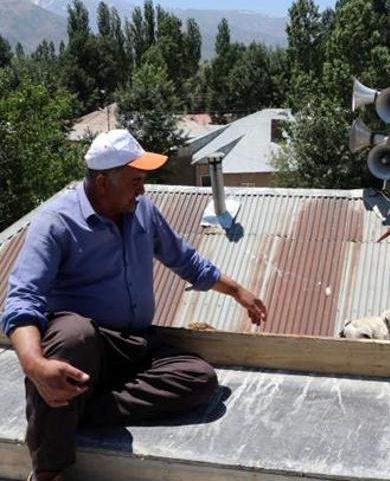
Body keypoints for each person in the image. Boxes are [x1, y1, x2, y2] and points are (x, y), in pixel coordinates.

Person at [2, 129, 268, 481]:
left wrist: (238, 292)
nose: (142, 189)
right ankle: (49, 470)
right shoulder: (56, 223)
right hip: (87, 347)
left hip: (135, 344)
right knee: (73, 335)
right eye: (135, 180)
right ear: (102, 182)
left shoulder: (144, 212)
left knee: (200, 380)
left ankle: (76, 406)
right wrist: (35, 365)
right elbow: (22, 300)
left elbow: (185, 261)